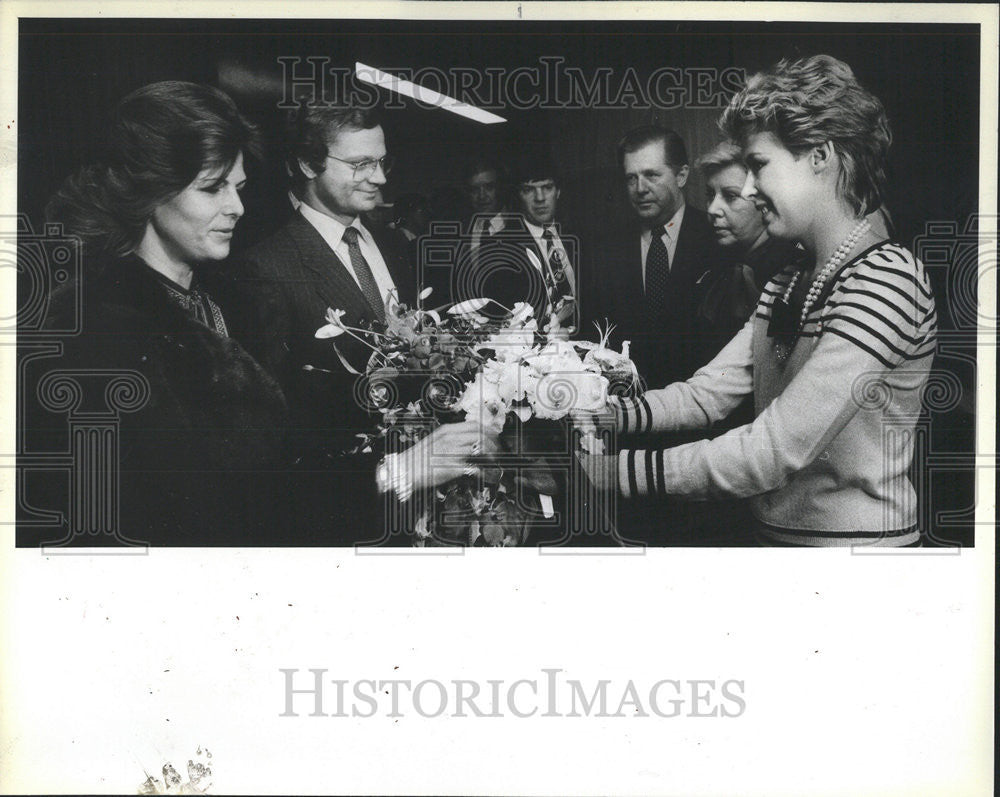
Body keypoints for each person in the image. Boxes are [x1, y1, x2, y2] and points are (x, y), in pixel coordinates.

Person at [583, 55, 937, 547]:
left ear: (821, 155)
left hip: (855, 558)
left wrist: (607, 473)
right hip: (776, 543)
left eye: (758, 166)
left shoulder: (886, 278)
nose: (749, 189)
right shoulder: (791, 278)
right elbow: (706, 394)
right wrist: (598, 413)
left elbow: (773, 449)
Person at [22, 81, 288, 546]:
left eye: (239, 187)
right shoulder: (97, 329)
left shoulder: (235, 298)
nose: (237, 207)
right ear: (151, 191)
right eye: (212, 189)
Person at [232, 103, 484, 544]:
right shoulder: (265, 268)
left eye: (382, 161)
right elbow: (277, 431)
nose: (381, 178)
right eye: (360, 164)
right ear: (307, 163)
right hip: (344, 510)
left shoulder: (391, 243)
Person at [592, 126, 725, 389]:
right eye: (631, 178)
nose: (640, 188)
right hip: (629, 407)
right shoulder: (607, 247)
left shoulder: (718, 238)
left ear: (682, 175)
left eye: (651, 175)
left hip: (701, 410)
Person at [474, 155, 581, 326]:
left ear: (558, 191)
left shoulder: (580, 236)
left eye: (547, 187)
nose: (540, 198)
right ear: (518, 195)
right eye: (529, 190)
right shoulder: (498, 248)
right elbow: (500, 324)